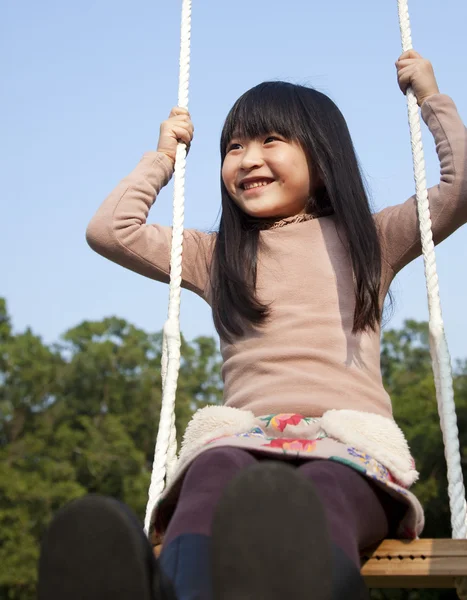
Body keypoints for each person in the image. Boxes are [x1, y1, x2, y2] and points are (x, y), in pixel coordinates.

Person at [38, 50, 467, 600]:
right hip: (244, 440)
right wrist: (164, 157)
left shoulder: (370, 240)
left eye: (270, 141)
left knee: (319, 491)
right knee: (210, 477)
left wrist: (431, 98)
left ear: (324, 154)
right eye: (233, 146)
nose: (246, 159)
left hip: (348, 448)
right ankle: (176, 591)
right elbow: (110, 229)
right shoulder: (215, 256)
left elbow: (457, 190)